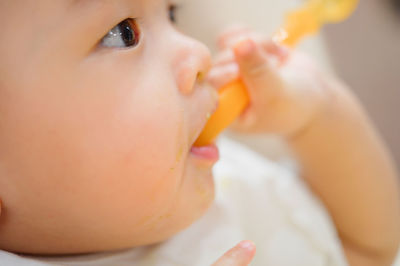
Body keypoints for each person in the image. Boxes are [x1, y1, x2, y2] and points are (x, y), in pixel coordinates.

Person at [0, 0, 398, 265]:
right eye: (122, 33)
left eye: (172, 13)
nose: (198, 51)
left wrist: (315, 116)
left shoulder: (216, 176)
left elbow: (370, 249)